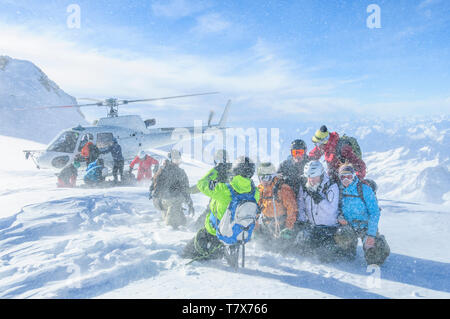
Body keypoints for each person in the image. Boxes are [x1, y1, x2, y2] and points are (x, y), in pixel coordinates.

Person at [181, 156, 260, 264]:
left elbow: (201, 184)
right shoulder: (255, 193)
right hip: (236, 235)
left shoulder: (224, 190)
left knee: (185, 254)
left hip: (213, 236)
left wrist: (216, 170)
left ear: (235, 170)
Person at [336, 164, 390, 266]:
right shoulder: (338, 190)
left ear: (354, 176)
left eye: (349, 176)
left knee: (375, 257)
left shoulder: (364, 189)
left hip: (366, 226)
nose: (346, 180)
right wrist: (340, 217)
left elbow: (374, 212)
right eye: (343, 177)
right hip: (349, 226)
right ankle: (349, 251)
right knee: (341, 236)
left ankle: (379, 245)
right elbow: (336, 209)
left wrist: (371, 235)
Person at [295, 160, 347, 262]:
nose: (311, 180)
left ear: (321, 174)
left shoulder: (331, 186)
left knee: (325, 256)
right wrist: (301, 220)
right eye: (309, 177)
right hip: (313, 228)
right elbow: (301, 205)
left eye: (314, 177)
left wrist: (318, 198)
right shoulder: (305, 186)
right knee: (301, 250)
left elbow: (331, 210)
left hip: (330, 229)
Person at [254, 162, 298, 251]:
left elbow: (292, 209)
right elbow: (255, 210)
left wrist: (288, 227)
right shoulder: (259, 190)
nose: (264, 181)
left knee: (280, 249)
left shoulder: (283, 189)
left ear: (273, 176)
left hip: (281, 227)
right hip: (266, 226)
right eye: (261, 177)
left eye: (267, 177)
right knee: (262, 248)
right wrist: (255, 228)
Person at [149, 149, 194, 229]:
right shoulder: (164, 170)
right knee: (172, 225)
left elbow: (185, 189)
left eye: (178, 159)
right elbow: (156, 183)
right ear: (171, 159)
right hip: (166, 200)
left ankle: (174, 217)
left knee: (182, 222)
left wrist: (190, 204)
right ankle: (170, 225)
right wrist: (155, 196)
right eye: (175, 159)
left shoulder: (180, 172)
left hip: (172, 200)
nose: (177, 161)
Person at [192, 149, 233, 230]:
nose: (219, 162)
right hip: (230, 204)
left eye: (221, 159)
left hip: (217, 202)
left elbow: (202, 183)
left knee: (203, 222)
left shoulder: (218, 171)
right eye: (218, 159)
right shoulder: (232, 170)